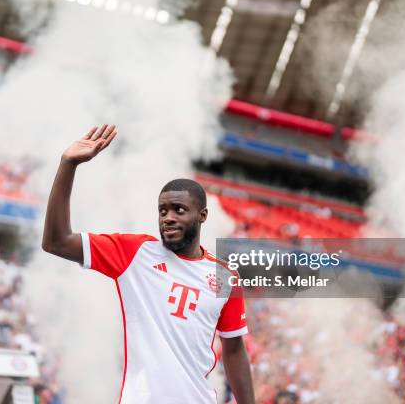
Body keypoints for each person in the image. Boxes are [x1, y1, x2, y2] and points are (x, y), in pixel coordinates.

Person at [42, 124, 255, 403]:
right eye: (162, 210)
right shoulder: (135, 252)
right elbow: (56, 241)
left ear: (202, 216)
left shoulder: (224, 275)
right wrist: (68, 165)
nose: (167, 217)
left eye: (179, 210)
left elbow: (235, 350)